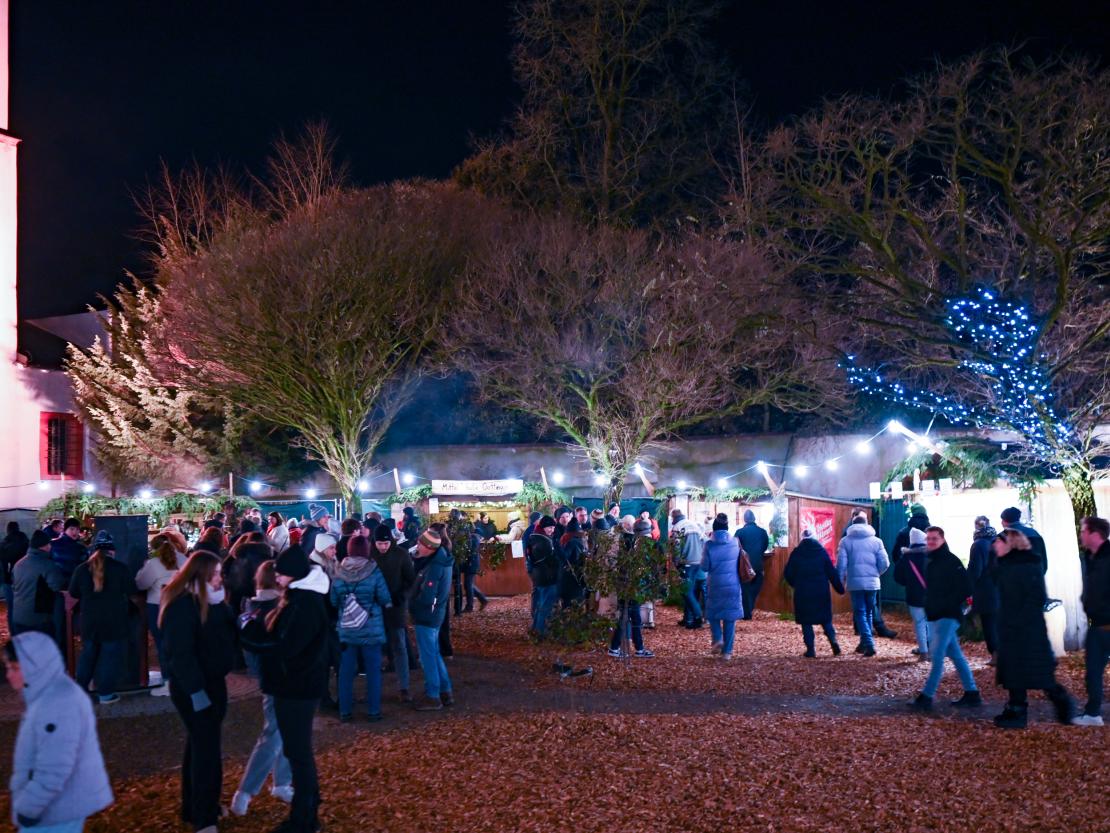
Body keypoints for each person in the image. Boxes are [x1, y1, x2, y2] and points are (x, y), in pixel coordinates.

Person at [245, 545, 331, 833]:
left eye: (280, 574)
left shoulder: (303, 603)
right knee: (298, 752)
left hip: (295, 687)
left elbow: (287, 648)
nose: (277, 578)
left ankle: (304, 818)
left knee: (298, 753)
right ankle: (307, 810)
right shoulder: (302, 598)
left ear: (292, 575)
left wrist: (250, 634)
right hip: (297, 685)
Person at [159, 551, 238, 833]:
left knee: (199, 745)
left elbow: (226, 635)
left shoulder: (214, 602)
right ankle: (204, 817)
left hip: (213, 683)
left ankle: (194, 806)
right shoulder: (182, 606)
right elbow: (180, 654)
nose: (220, 579)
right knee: (207, 751)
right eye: (215, 574)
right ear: (201, 575)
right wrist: (195, 690)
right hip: (193, 687)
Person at [5, 633, 114, 832]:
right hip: (58, 804)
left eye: (15, 668)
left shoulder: (56, 703)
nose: (9, 675)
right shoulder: (51, 694)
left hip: (54, 809)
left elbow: (54, 766)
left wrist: (29, 808)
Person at [990, 528, 1075, 728]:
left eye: (999, 542)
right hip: (1012, 628)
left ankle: (1060, 704)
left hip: (1026, 630)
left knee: (1037, 672)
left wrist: (1017, 620)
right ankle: (1016, 711)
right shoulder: (1006, 565)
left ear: (1010, 543)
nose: (995, 545)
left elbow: (1036, 597)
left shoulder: (1026, 566)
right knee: (1014, 672)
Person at [231, 561, 294, 816]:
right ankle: (245, 790)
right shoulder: (276, 609)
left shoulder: (253, 608)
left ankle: (281, 782)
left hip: (271, 677)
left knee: (284, 731)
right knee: (273, 735)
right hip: (280, 678)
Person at [909, 527, 981, 712]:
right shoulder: (932, 560)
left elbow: (965, 587)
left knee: (937, 656)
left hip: (947, 615)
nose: (931, 541)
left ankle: (927, 696)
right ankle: (972, 693)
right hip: (937, 614)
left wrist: (946, 604)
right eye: (929, 538)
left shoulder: (950, 561)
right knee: (955, 656)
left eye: (934, 538)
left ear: (942, 539)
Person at [67, 532, 137, 705]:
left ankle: (79, 692)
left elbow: (73, 592)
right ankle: (105, 694)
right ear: (112, 550)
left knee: (87, 655)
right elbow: (131, 590)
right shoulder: (120, 568)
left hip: (89, 620)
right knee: (109, 657)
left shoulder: (82, 569)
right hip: (114, 620)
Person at [331, 535, 393, 723]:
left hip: (347, 629)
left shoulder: (338, 571)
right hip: (371, 629)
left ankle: (345, 711)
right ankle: (373, 711)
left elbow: (333, 601)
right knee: (373, 671)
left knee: (346, 671)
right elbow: (384, 598)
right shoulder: (373, 570)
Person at [135, 535, 187, 696]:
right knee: (181, 643)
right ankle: (184, 679)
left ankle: (168, 681)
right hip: (181, 605)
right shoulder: (184, 559)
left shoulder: (153, 563)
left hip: (158, 607)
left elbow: (141, 583)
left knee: (162, 644)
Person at [409, 529, 454, 711]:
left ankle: (432, 695)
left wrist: (414, 605)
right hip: (436, 614)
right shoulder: (442, 559)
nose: (417, 545)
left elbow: (428, 596)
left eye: (420, 543)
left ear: (429, 547)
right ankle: (445, 691)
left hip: (427, 615)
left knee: (427, 656)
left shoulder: (435, 566)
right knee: (434, 653)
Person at [371, 524, 416, 702]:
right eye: (379, 544)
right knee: (374, 647)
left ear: (391, 541)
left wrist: (402, 596)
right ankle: (374, 688)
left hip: (396, 607)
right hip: (374, 608)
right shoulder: (370, 555)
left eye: (386, 543)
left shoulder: (401, 555)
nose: (383, 547)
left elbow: (410, 580)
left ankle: (404, 687)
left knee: (399, 646)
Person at [783, 529, 844, 657]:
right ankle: (833, 642)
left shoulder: (797, 553)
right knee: (826, 620)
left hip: (803, 592)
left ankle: (811, 650)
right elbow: (831, 572)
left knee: (806, 622)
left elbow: (788, 573)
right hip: (821, 592)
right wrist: (840, 589)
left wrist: (795, 584)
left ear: (802, 538)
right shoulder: (821, 552)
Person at [1074, 516, 1110, 727]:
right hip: (1096, 624)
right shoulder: (1089, 558)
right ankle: (1092, 713)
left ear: (1094, 533)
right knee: (1093, 671)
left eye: (1083, 531)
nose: (1081, 535)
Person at [837, 516, 890, 657]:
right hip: (873, 583)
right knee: (869, 612)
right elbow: (885, 563)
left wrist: (840, 581)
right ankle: (863, 643)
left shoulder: (845, 541)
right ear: (867, 524)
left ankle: (869, 643)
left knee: (860, 613)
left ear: (852, 524)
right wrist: (876, 573)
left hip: (855, 583)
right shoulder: (877, 541)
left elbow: (841, 565)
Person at [607, 521, 655, 659]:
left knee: (627, 618)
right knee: (632, 619)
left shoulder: (629, 544)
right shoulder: (640, 547)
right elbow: (643, 570)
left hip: (625, 586)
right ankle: (636, 649)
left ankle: (617, 648)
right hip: (632, 588)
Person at [10, 530, 66, 638]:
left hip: (18, 616)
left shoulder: (19, 564)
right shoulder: (46, 565)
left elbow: (14, 586)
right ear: (43, 546)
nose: (50, 546)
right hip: (38, 619)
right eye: (48, 543)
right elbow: (57, 586)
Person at [703, 514, 742, 661]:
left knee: (713, 614)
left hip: (715, 584)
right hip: (733, 584)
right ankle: (727, 652)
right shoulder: (735, 542)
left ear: (714, 528)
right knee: (730, 618)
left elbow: (705, 566)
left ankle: (718, 638)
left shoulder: (709, 545)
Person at [967, 515, 1000, 664]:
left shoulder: (978, 544)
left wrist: (968, 587)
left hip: (986, 591)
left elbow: (975, 571)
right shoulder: (999, 540)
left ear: (976, 527)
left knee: (989, 624)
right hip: (1001, 588)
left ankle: (996, 656)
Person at [893, 527, 930, 659]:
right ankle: (932, 649)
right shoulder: (932, 556)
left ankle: (924, 652)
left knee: (919, 623)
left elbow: (898, 577)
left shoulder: (905, 558)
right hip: (931, 596)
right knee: (930, 622)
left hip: (914, 595)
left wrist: (909, 583)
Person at [670, 509, 706, 629]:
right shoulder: (693, 524)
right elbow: (702, 542)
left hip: (686, 563)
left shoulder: (677, 527)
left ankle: (698, 616)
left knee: (686, 591)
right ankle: (688, 619)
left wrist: (676, 563)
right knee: (691, 590)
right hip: (698, 562)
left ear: (673, 518)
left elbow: (676, 546)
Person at [526, 516, 560, 637]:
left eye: (553, 527)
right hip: (547, 577)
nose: (552, 530)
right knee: (546, 606)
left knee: (540, 604)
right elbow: (553, 561)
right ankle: (541, 632)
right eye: (550, 527)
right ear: (544, 527)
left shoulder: (533, 537)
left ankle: (535, 628)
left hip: (538, 576)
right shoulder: (545, 541)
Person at [734, 509, 770, 620]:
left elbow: (735, 548)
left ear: (745, 520)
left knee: (745, 589)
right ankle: (749, 608)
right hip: (758, 564)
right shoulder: (763, 532)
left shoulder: (739, 532)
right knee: (756, 587)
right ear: (754, 519)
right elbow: (765, 546)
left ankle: (747, 613)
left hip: (744, 566)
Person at [1000, 506, 1047, 574]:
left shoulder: (1001, 537)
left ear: (1005, 521)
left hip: (1012, 582)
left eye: (1002, 520)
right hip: (1035, 579)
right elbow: (1043, 560)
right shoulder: (1035, 533)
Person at [1, 521, 29, 628]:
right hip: (24, 579)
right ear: (18, 528)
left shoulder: (3, 543)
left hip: (8, 580)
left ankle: (14, 634)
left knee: (11, 608)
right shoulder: (25, 540)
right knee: (25, 606)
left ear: (7, 530)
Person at [557, 518, 588, 609]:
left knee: (568, 604)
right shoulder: (580, 541)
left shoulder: (570, 542)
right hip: (577, 576)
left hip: (568, 577)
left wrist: (558, 549)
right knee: (577, 603)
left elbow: (564, 557)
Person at [461, 522, 488, 612]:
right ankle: (482, 599)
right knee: (468, 584)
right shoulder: (474, 537)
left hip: (471, 563)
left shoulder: (472, 538)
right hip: (472, 563)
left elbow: (469, 551)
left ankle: (470, 606)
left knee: (468, 585)